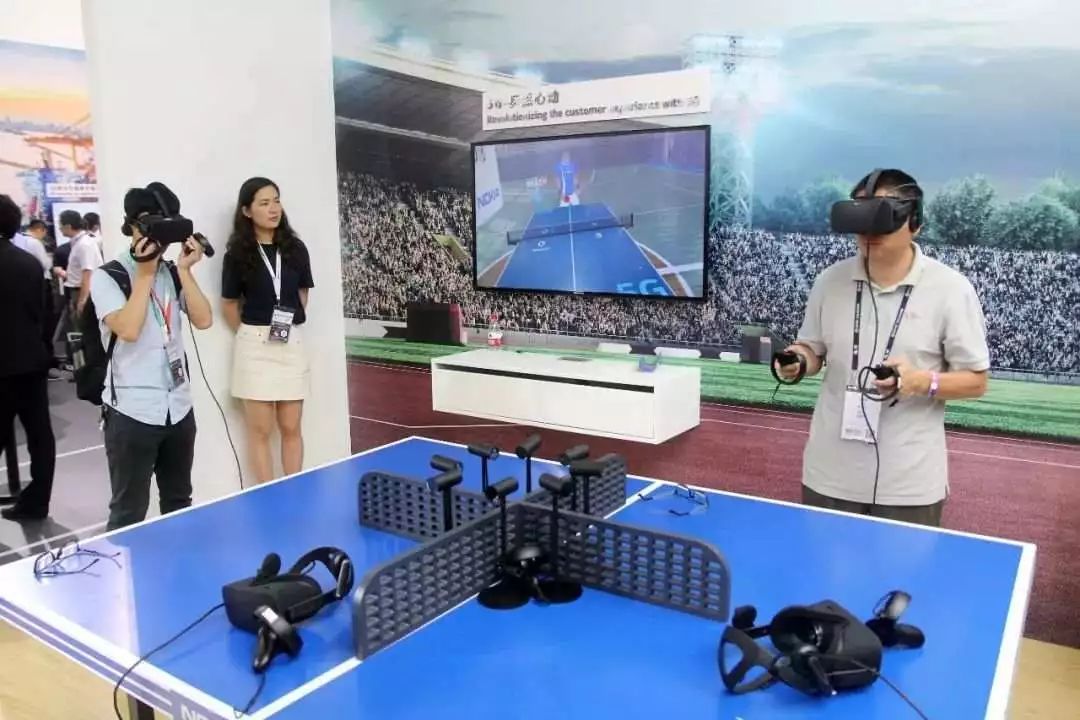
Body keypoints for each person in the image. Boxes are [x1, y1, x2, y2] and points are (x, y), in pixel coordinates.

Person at [775, 168, 990, 527]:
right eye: (861, 222)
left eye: (882, 221)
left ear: (915, 223)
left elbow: (976, 381)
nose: (869, 234)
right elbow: (812, 349)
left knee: (903, 566)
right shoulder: (830, 281)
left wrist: (920, 382)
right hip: (829, 475)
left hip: (908, 485)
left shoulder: (951, 289)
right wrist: (798, 360)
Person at [90, 185, 213, 530]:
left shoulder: (171, 272)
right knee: (129, 513)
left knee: (179, 502)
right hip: (132, 412)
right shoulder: (109, 276)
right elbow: (128, 329)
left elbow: (204, 319)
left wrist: (185, 270)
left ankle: (179, 561)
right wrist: (144, 275)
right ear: (133, 226)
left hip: (179, 407)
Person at [222, 177, 313, 485]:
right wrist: (252, 334)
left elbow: (302, 294)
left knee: (291, 426)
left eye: (276, 200)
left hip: (290, 343)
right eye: (264, 203)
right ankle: (267, 495)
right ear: (247, 211)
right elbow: (229, 304)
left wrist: (285, 323)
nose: (274, 208)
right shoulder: (238, 253)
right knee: (260, 431)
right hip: (254, 347)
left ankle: (294, 490)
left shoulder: (295, 248)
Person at [0, 195, 56, 521]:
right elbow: (45, 313)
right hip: (32, 361)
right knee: (39, 435)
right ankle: (36, 503)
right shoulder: (30, 263)